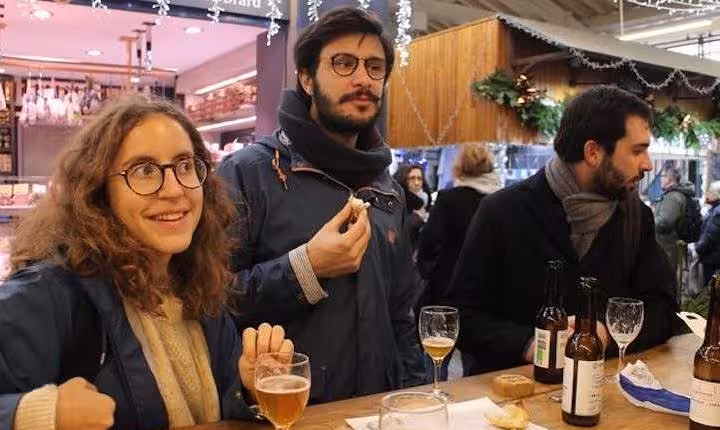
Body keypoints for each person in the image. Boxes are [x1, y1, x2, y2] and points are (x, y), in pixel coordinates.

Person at [0, 96, 293, 430]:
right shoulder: (49, 292)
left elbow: (214, 418)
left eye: (185, 166)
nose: (174, 190)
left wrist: (249, 389)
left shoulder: (197, 284)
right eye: (143, 170)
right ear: (98, 191)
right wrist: (35, 422)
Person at [217, 7, 425, 403]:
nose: (363, 78)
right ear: (307, 78)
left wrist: (413, 402)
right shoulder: (249, 173)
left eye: (375, 67)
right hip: (289, 418)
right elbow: (212, 299)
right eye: (343, 64)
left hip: (377, 416)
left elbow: (401, 314)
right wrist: (305, 269)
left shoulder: (387, 190)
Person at [447, 86, 683, 375]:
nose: (647, 164)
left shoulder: (634, 217)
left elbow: (663, 309)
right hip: (510, 402)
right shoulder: (502, 212)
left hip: (603, 401)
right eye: (637, 150)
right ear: (593, 152)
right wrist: (529, 343)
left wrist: (607, 333)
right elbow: (462, 315)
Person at [417, 143, 500, 308]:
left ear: (460, 166)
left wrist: (432, 271)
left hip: (448, 287)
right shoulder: (500, 200)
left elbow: (428, 243)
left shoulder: (448, 199)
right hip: (489, 291)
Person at [654, 166, 698, 269]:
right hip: (669, 247)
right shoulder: (675, 195)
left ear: (669, 179)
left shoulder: (673, 197)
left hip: (667, 247)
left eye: (662, 176)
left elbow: (664, 222)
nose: (661, 179)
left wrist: (648, 220)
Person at [696, 181, 720, 285]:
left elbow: (710, 235)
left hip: (712, 259)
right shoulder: (714, 210)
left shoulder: (717, 213)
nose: (707, 194)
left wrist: (698, 248)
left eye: (710, 191)